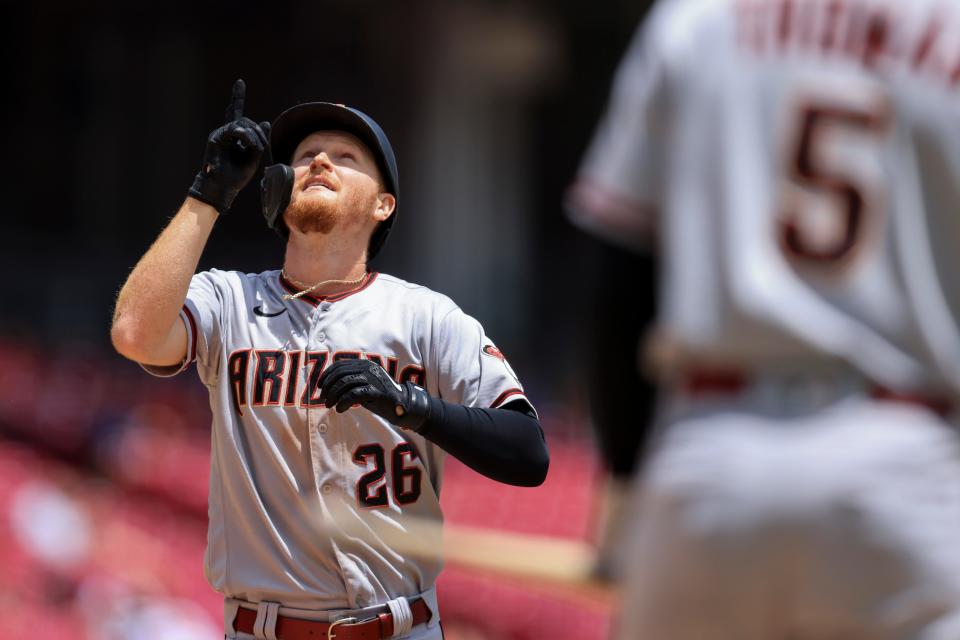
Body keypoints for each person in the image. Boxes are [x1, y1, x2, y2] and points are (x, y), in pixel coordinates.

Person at [567, 0, 960, 637]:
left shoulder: (694, 20)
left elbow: (620, 276)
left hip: (715, 450)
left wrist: (627, 505)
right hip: (905, 455)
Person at [111, 79, 549, 640]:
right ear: (277, 189)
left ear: (383, 204)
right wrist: (209, 192)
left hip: (400, 626)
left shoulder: (427, 318)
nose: (320, 159)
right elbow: (134, 334)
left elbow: (527, 451)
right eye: (304, 156)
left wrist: (410, 404)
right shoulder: (230, 301)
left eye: (346, 156)